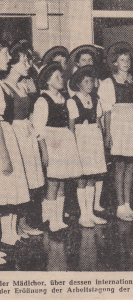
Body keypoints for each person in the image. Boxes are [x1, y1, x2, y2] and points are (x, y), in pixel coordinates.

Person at [99, 42, 133, 221]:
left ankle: (127, 204)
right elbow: (107, 111)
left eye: (128, 59)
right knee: (119, 166)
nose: (126, 62)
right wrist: (108, 133)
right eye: (122, 60)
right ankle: (120, 206)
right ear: (115, 63)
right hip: (119, 125)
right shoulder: (108, 82)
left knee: (131, 166)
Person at [32, 62, 83, 232]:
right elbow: (38, 128)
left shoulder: (64, 98)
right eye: (57, 77)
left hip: (63, 142)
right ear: (47, 81)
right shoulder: (43, 100)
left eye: (61, 76)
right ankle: (51, 220)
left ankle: (58, 218)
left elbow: (69, 125)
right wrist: (45, 151)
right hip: (52, 143)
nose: (61, 79)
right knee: (53, 182)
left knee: (61, 182)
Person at [2, 42, 45, 236]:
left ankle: (23, 223)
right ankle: (15, 227)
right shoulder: (4, 85)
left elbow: (31, 113)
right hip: (14, 135)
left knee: (30, 181)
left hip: (27, 134)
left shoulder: (24, 85)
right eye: (24, 61)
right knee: (19, 181)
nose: (28, 65)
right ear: (11, 64)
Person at [0, 40, 31, 252]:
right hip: (3, 139)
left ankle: (9, 235)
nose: (9, 58)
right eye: (4, 53)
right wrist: (3, 155)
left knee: (9, 192)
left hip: (8, 135)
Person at [67, 65, 107, 227]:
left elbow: (98, 122)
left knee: (92, 176)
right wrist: (72, 146)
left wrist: (102, 141)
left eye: (91, 81)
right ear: (78, 84)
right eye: (86, 81)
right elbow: (71, 127)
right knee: (82, 178)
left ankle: (91, 213)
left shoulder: (96, 100)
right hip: (81, 139)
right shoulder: (73, 101)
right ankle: (83, 215)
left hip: (94, 138)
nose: (89, 84)